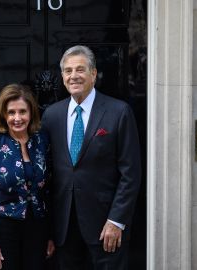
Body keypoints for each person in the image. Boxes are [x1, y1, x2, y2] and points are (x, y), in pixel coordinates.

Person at [41, 45, 141, 269]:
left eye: (80, 69)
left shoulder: (119, 112)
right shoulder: (51, 116)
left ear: (94, 74)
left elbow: (130, 174)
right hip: (64, 227)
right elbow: (47, 173)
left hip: (106, 226)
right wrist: (47, 228)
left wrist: (117, 221)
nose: (73, 76)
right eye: (68, 71)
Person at [0, 84, 55, 270]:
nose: (17, 118)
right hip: (3, 229)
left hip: (37, 228)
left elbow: (50, 189)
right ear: (3, 114)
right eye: (11, 112)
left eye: (22, 112)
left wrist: (52, 234)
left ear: (31, 113)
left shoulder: (42, 140)